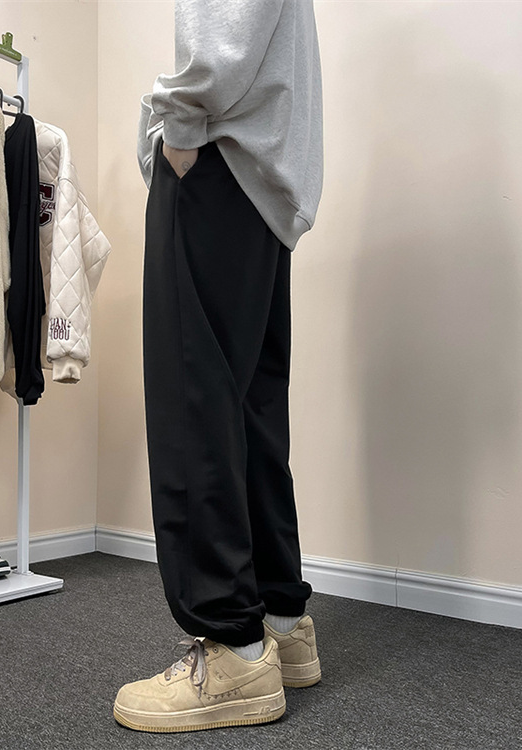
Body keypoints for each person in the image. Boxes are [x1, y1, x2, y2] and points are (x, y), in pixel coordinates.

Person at [113, 0, 324, 733]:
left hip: (218, 155)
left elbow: (224, 26)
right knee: (249, 406)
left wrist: (181, 122)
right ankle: (280, 622)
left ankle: (233, 649)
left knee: (194, 401)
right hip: (263, 179)